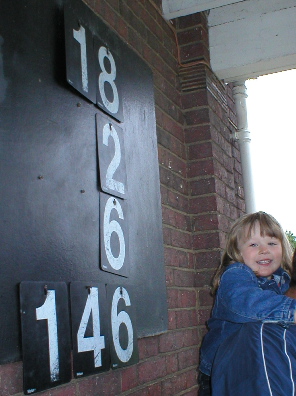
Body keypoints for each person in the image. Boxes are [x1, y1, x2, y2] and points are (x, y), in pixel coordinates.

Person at [198, 211, 296, 396]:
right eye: (253, 244)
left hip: (265, 370)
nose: (264, 249)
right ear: (238, 252)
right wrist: (291, 311)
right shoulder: (237, 274)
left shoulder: (284, 281)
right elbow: (245, 302)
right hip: (224, 372)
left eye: (272, 243)